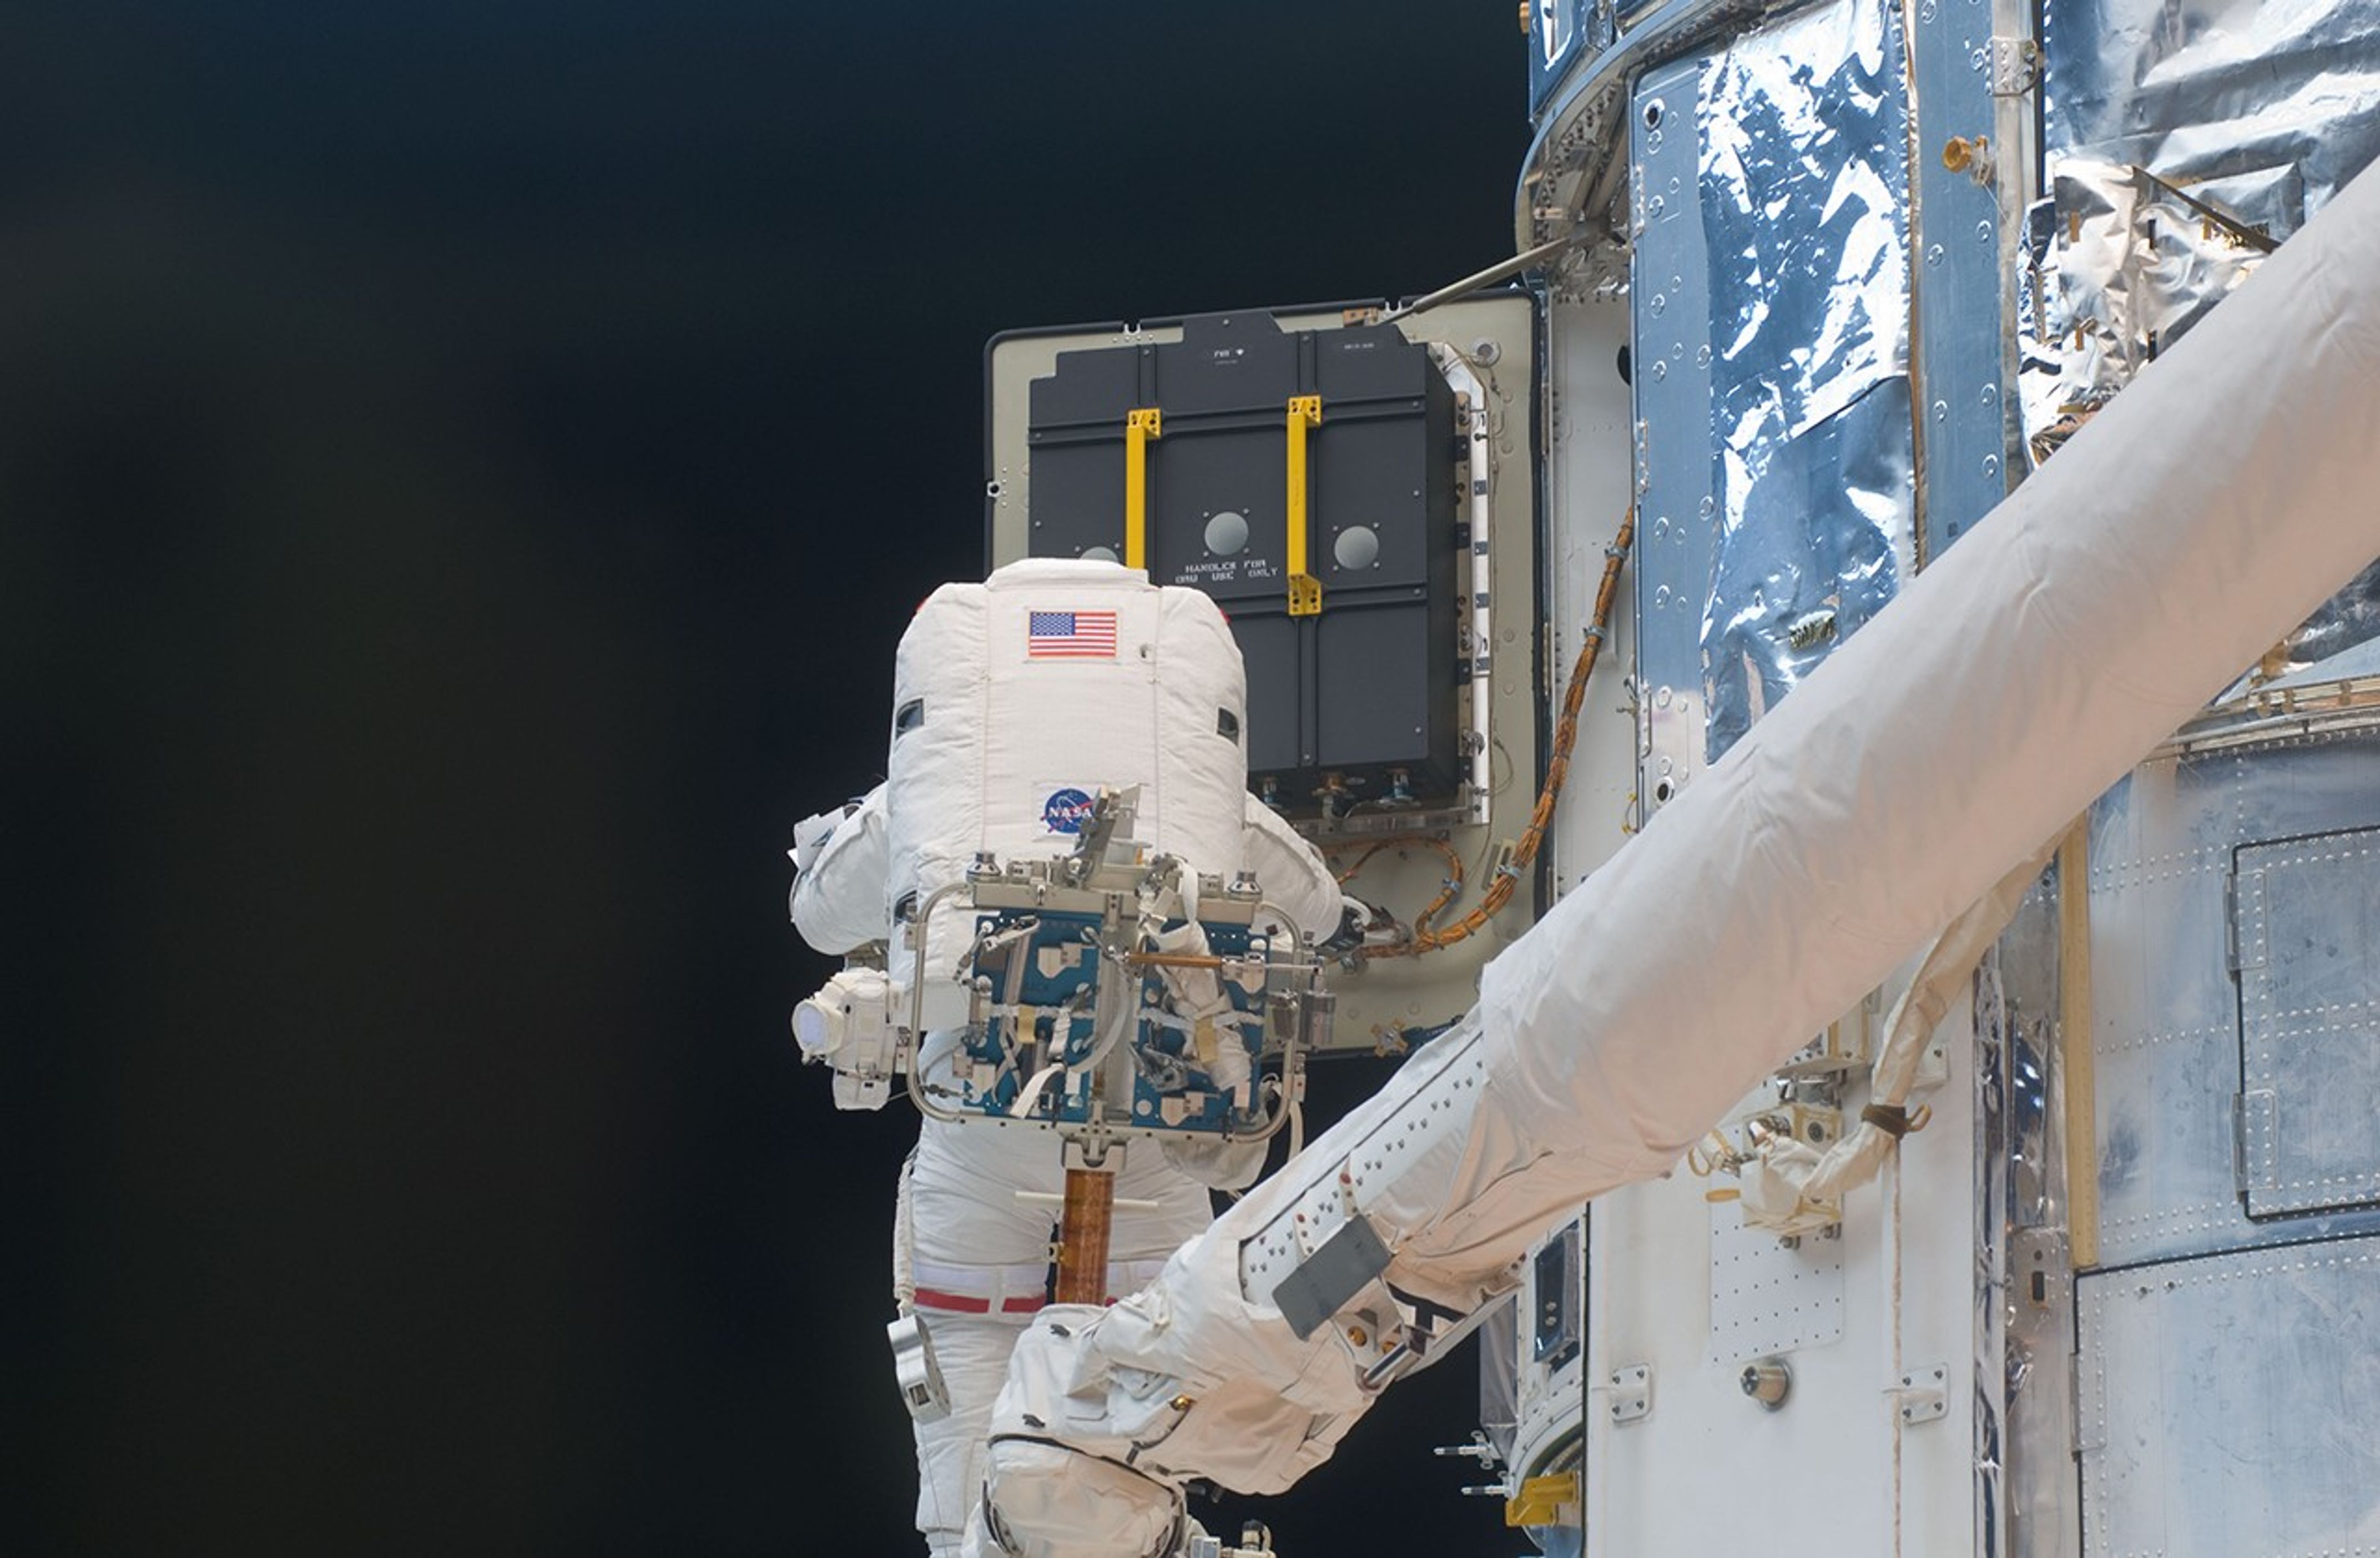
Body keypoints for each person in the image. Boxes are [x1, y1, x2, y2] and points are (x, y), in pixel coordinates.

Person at [789, 558, 1345, 1556]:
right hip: (1155, 1128)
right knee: (1141, 1412)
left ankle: (964, 1535)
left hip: (983, 1118)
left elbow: (818, 914)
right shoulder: (1195, 769)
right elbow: (1319, 906)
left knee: (968, 1408)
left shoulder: (939, 759)